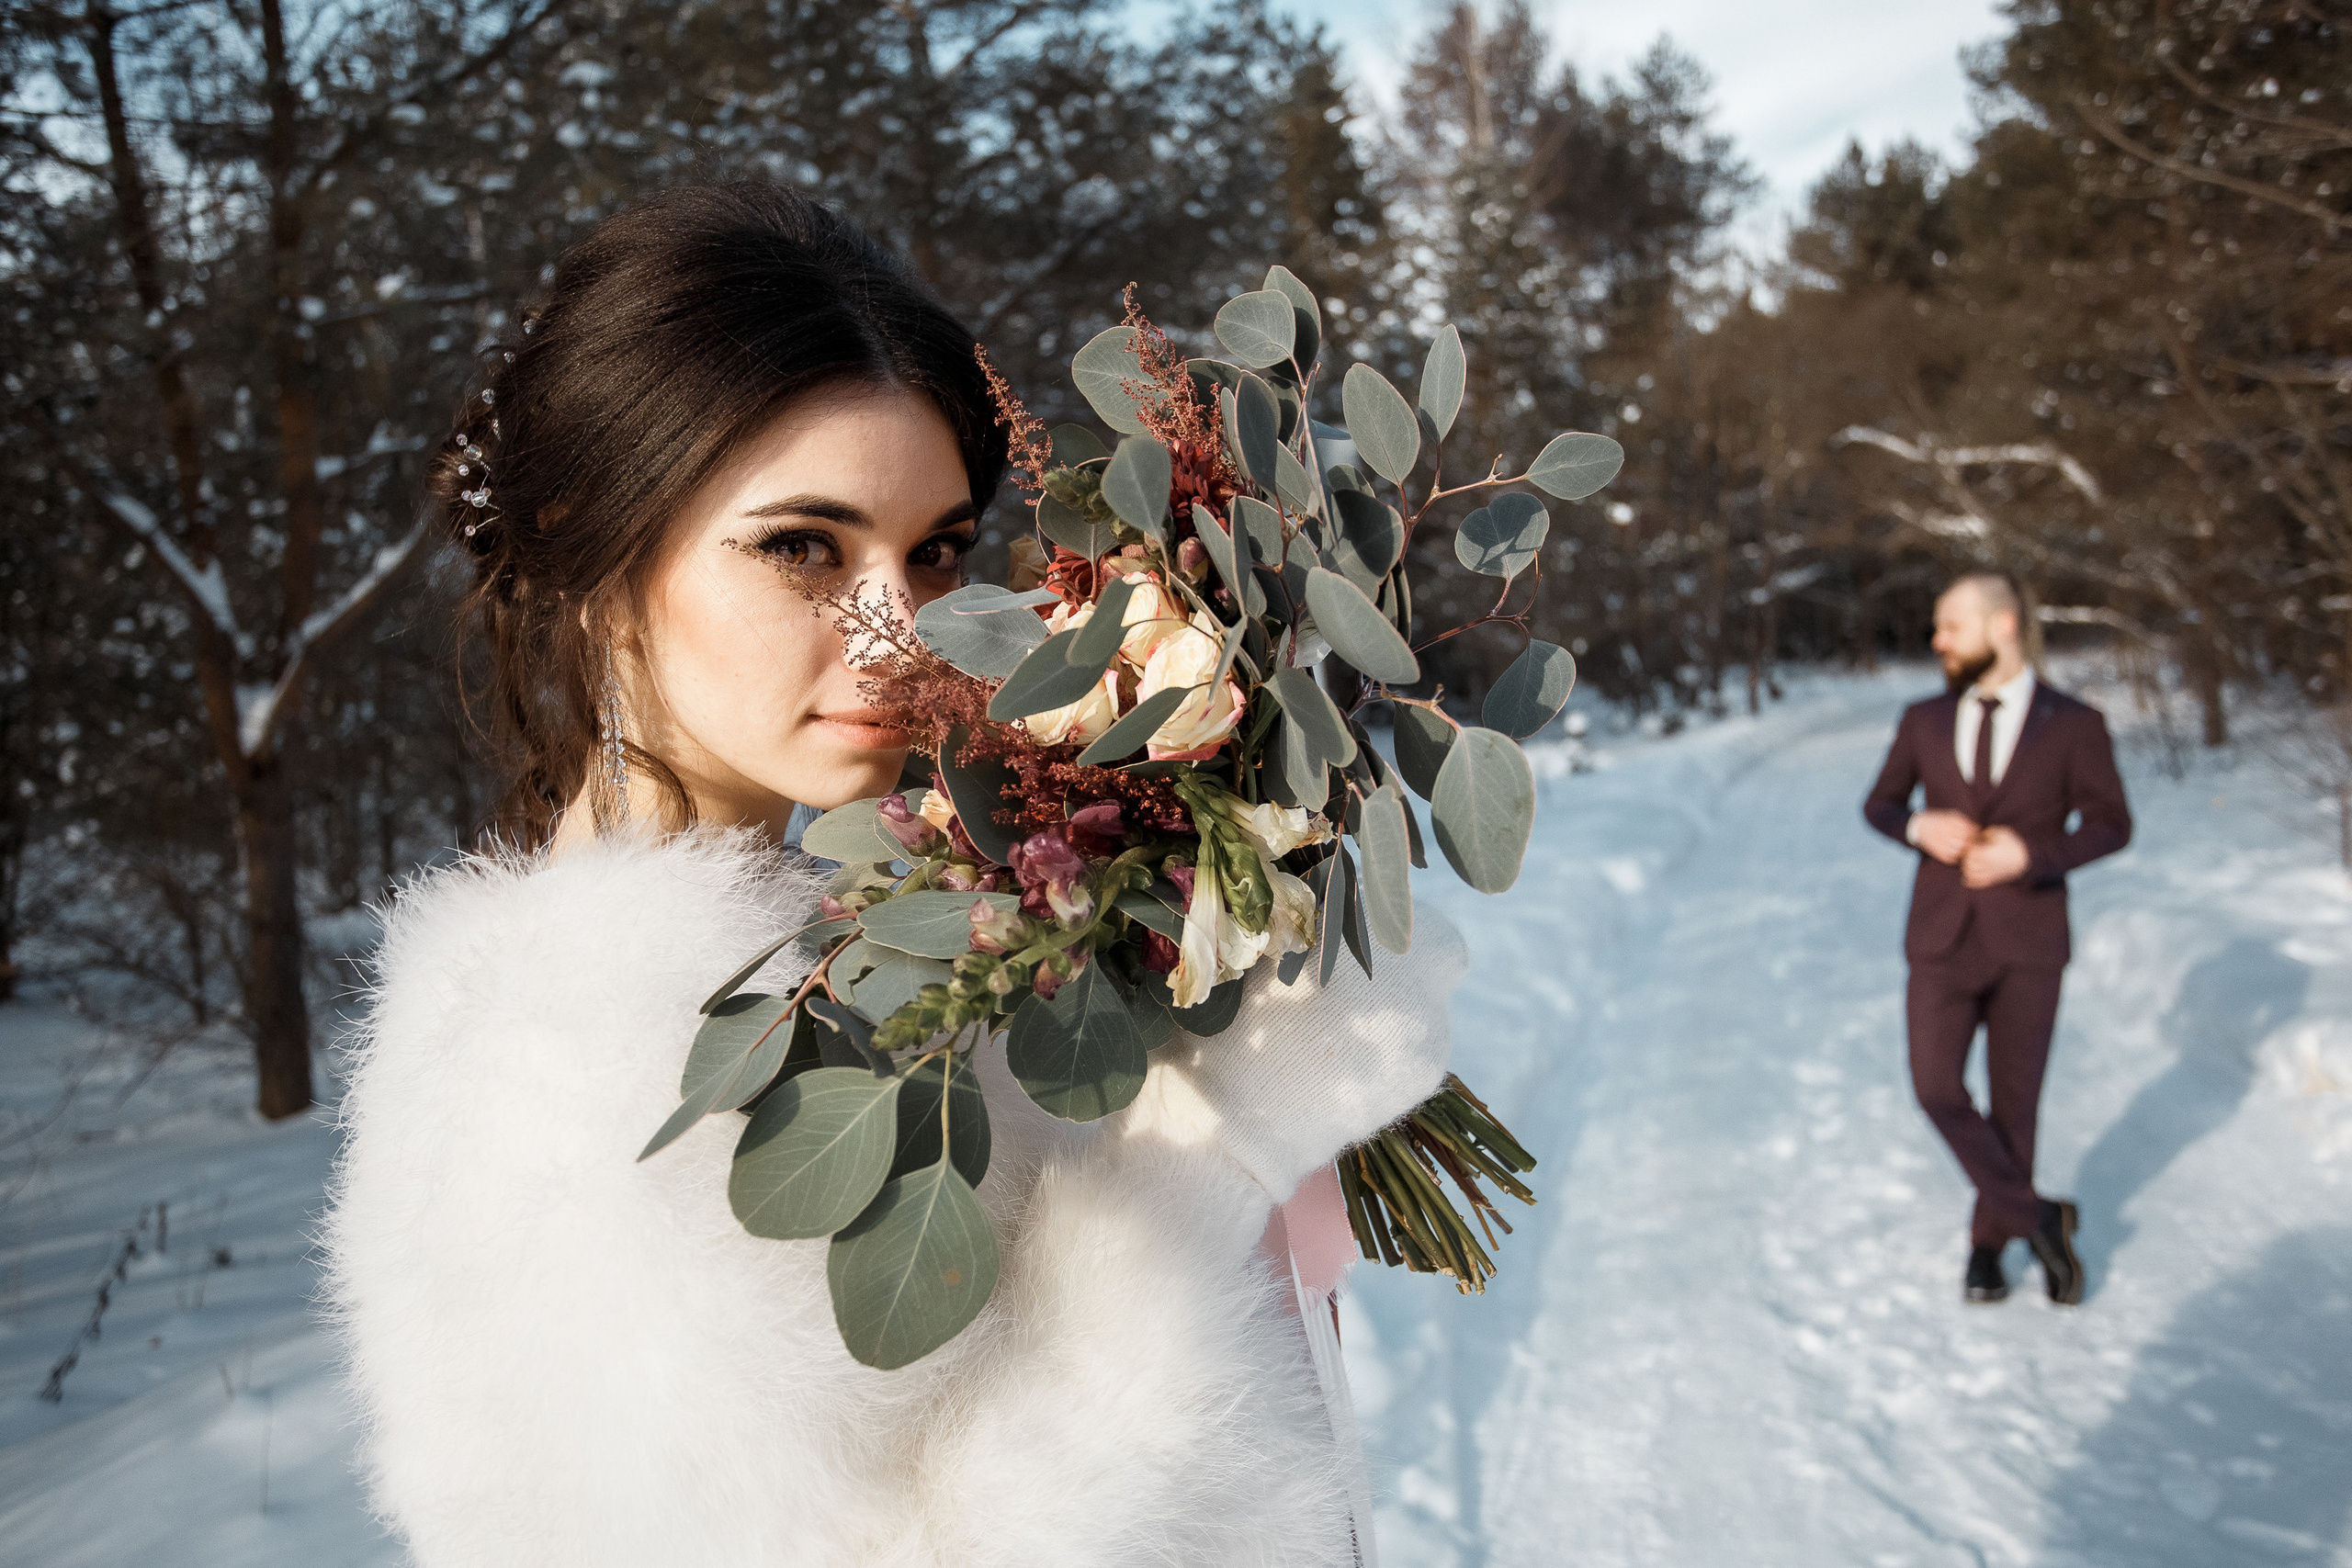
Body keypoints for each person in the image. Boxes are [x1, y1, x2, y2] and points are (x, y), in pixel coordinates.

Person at [322, 182, 1462, 1567]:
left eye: (934, 551)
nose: (902, 633)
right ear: (590, 543)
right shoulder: (572, 1049)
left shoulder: (816, 931)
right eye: (802, 546)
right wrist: (1211, 1134)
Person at [1861, 572, 2132, 1306]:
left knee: (2017, 1105)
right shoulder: (1922, 719)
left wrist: (2031, 855)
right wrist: (1919, 825)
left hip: (2030, 939)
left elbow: (2113, 823)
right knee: (1936, 1087)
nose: (1937, 639)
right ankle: (2040, 1216)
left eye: (1951, 624)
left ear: (2004, 624)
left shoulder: (2074, 723)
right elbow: (1880, 805)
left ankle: (1988, 1241)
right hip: (1941, 938)